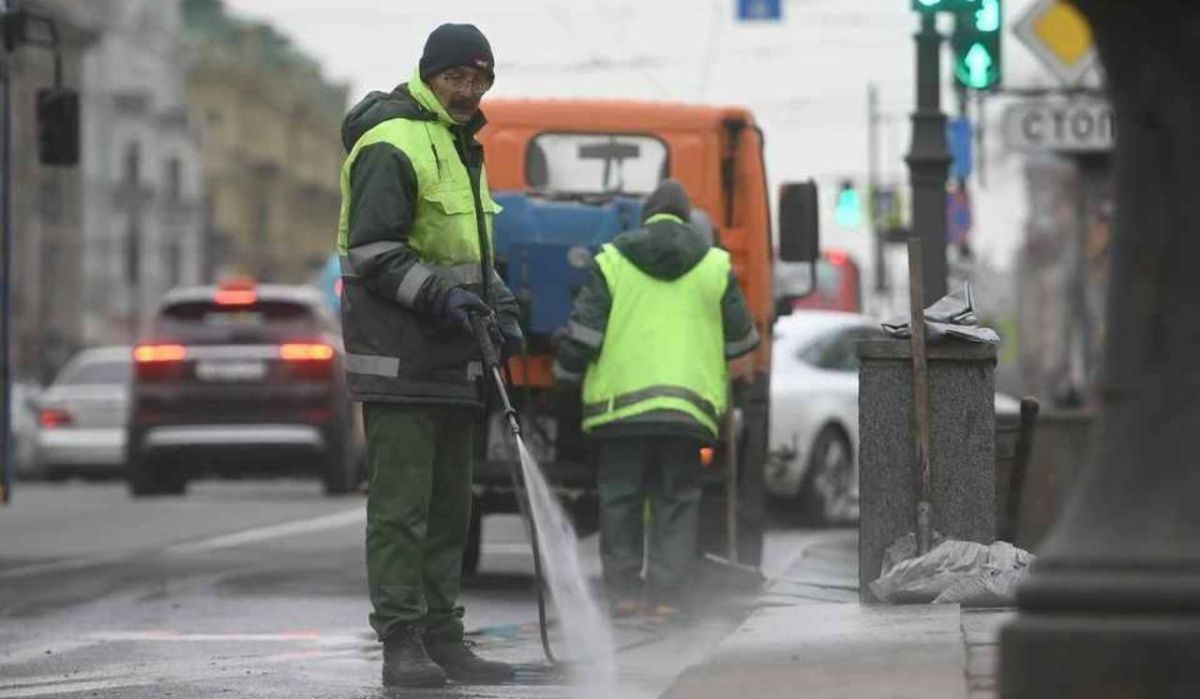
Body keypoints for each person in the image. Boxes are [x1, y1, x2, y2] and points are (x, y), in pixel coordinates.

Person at [335, 23, 522, 689]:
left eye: (479, 80)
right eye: (456, 78)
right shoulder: (393, 142)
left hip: (453, 363)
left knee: (451, 510)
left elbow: (468, 254)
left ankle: (445, 637)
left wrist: (499, 307)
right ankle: (401, 642)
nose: (468, 90)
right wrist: (445, 298)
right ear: (429, 74)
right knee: (402, 511)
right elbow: (375, 253)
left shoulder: (459, 144)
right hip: (400, 361)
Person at [553, 179, 760, 621]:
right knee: (676, 499)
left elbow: (584, 335)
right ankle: (667, 597)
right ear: (687, 220)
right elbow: (743, 341)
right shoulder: (714, 266)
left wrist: (563, 378)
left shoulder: (611, 261)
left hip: (620, 410)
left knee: (620, 498)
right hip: (687, 412)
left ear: (646, 218)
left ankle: (625, 595)